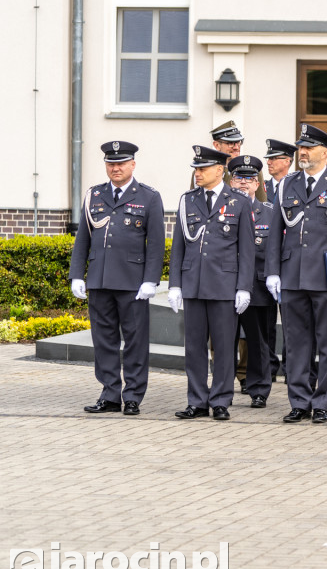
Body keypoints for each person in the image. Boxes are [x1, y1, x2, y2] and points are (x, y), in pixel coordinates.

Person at [264, 124, 327, 424]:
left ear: (325, 152)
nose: (302, 153)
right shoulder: (287, 184)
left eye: (308, 148)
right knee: (296, 342)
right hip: (293, 275)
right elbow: (275, 234)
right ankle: (299, 401)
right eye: (300, 148)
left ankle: (322, 401)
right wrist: (273, 272)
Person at [71, 141, 164, 416]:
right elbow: (83, 239)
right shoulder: (94, 195)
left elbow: (156, 243)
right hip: (99, 280)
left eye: (121, 163)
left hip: (132, 282)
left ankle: (133, 395)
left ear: (132, 164)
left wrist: (151, 280)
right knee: (104, 340)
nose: (116, 168)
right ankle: (110, 394)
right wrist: (77, 275)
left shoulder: (148, 196)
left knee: (135, 340)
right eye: (111, 163)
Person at [168, 146, 255, 421]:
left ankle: (220, 400)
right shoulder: (187, 200)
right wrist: (175, 284)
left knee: (224, 347)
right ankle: (196, 400)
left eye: (203, 169)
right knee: (193, 347)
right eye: (195, 169)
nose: (197, 174)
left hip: (224, 284)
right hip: (193, 283)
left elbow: (247, 250)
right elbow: (179, 246)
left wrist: (244, 287)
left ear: (220, 170)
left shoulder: (238, 201)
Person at [228, 155, 275, 408]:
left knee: (258, 341)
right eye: (238, 178)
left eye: (249, 179)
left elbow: (276, 249)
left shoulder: (269, 212)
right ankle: (223, 387)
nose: (243, 184)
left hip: (258, 287)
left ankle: (259, 389)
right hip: (225, 284)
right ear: (230, 181)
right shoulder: (222, 209)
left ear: (258, 184)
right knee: (225, 341)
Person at [262, 139, 296, 382]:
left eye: (274, 158)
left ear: (288, 162)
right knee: (266, 319)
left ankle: (291, 365)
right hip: (266, 259)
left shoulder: (295, 185)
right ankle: (269, 366)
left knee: (291, 319)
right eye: (268, 159)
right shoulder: (263, 187)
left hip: (291, 259)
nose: (269, 162)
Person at [193, 121, 268, 202]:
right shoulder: (203, 171)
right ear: (217, 145)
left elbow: (261, 205)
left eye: (238, 142)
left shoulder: (253, 169)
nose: (236, 147)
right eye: (230, 143)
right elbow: (193, 201)